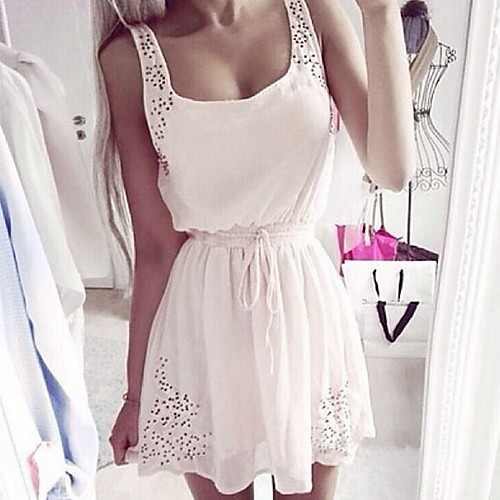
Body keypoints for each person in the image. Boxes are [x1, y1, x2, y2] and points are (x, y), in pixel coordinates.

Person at [98, 0, 416, 498]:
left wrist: (380, 14)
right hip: (204, 321)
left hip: (303, 311)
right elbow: (157, 247)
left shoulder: (314, 12)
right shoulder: (128, 57)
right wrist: (137, 397)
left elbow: (392, 171)